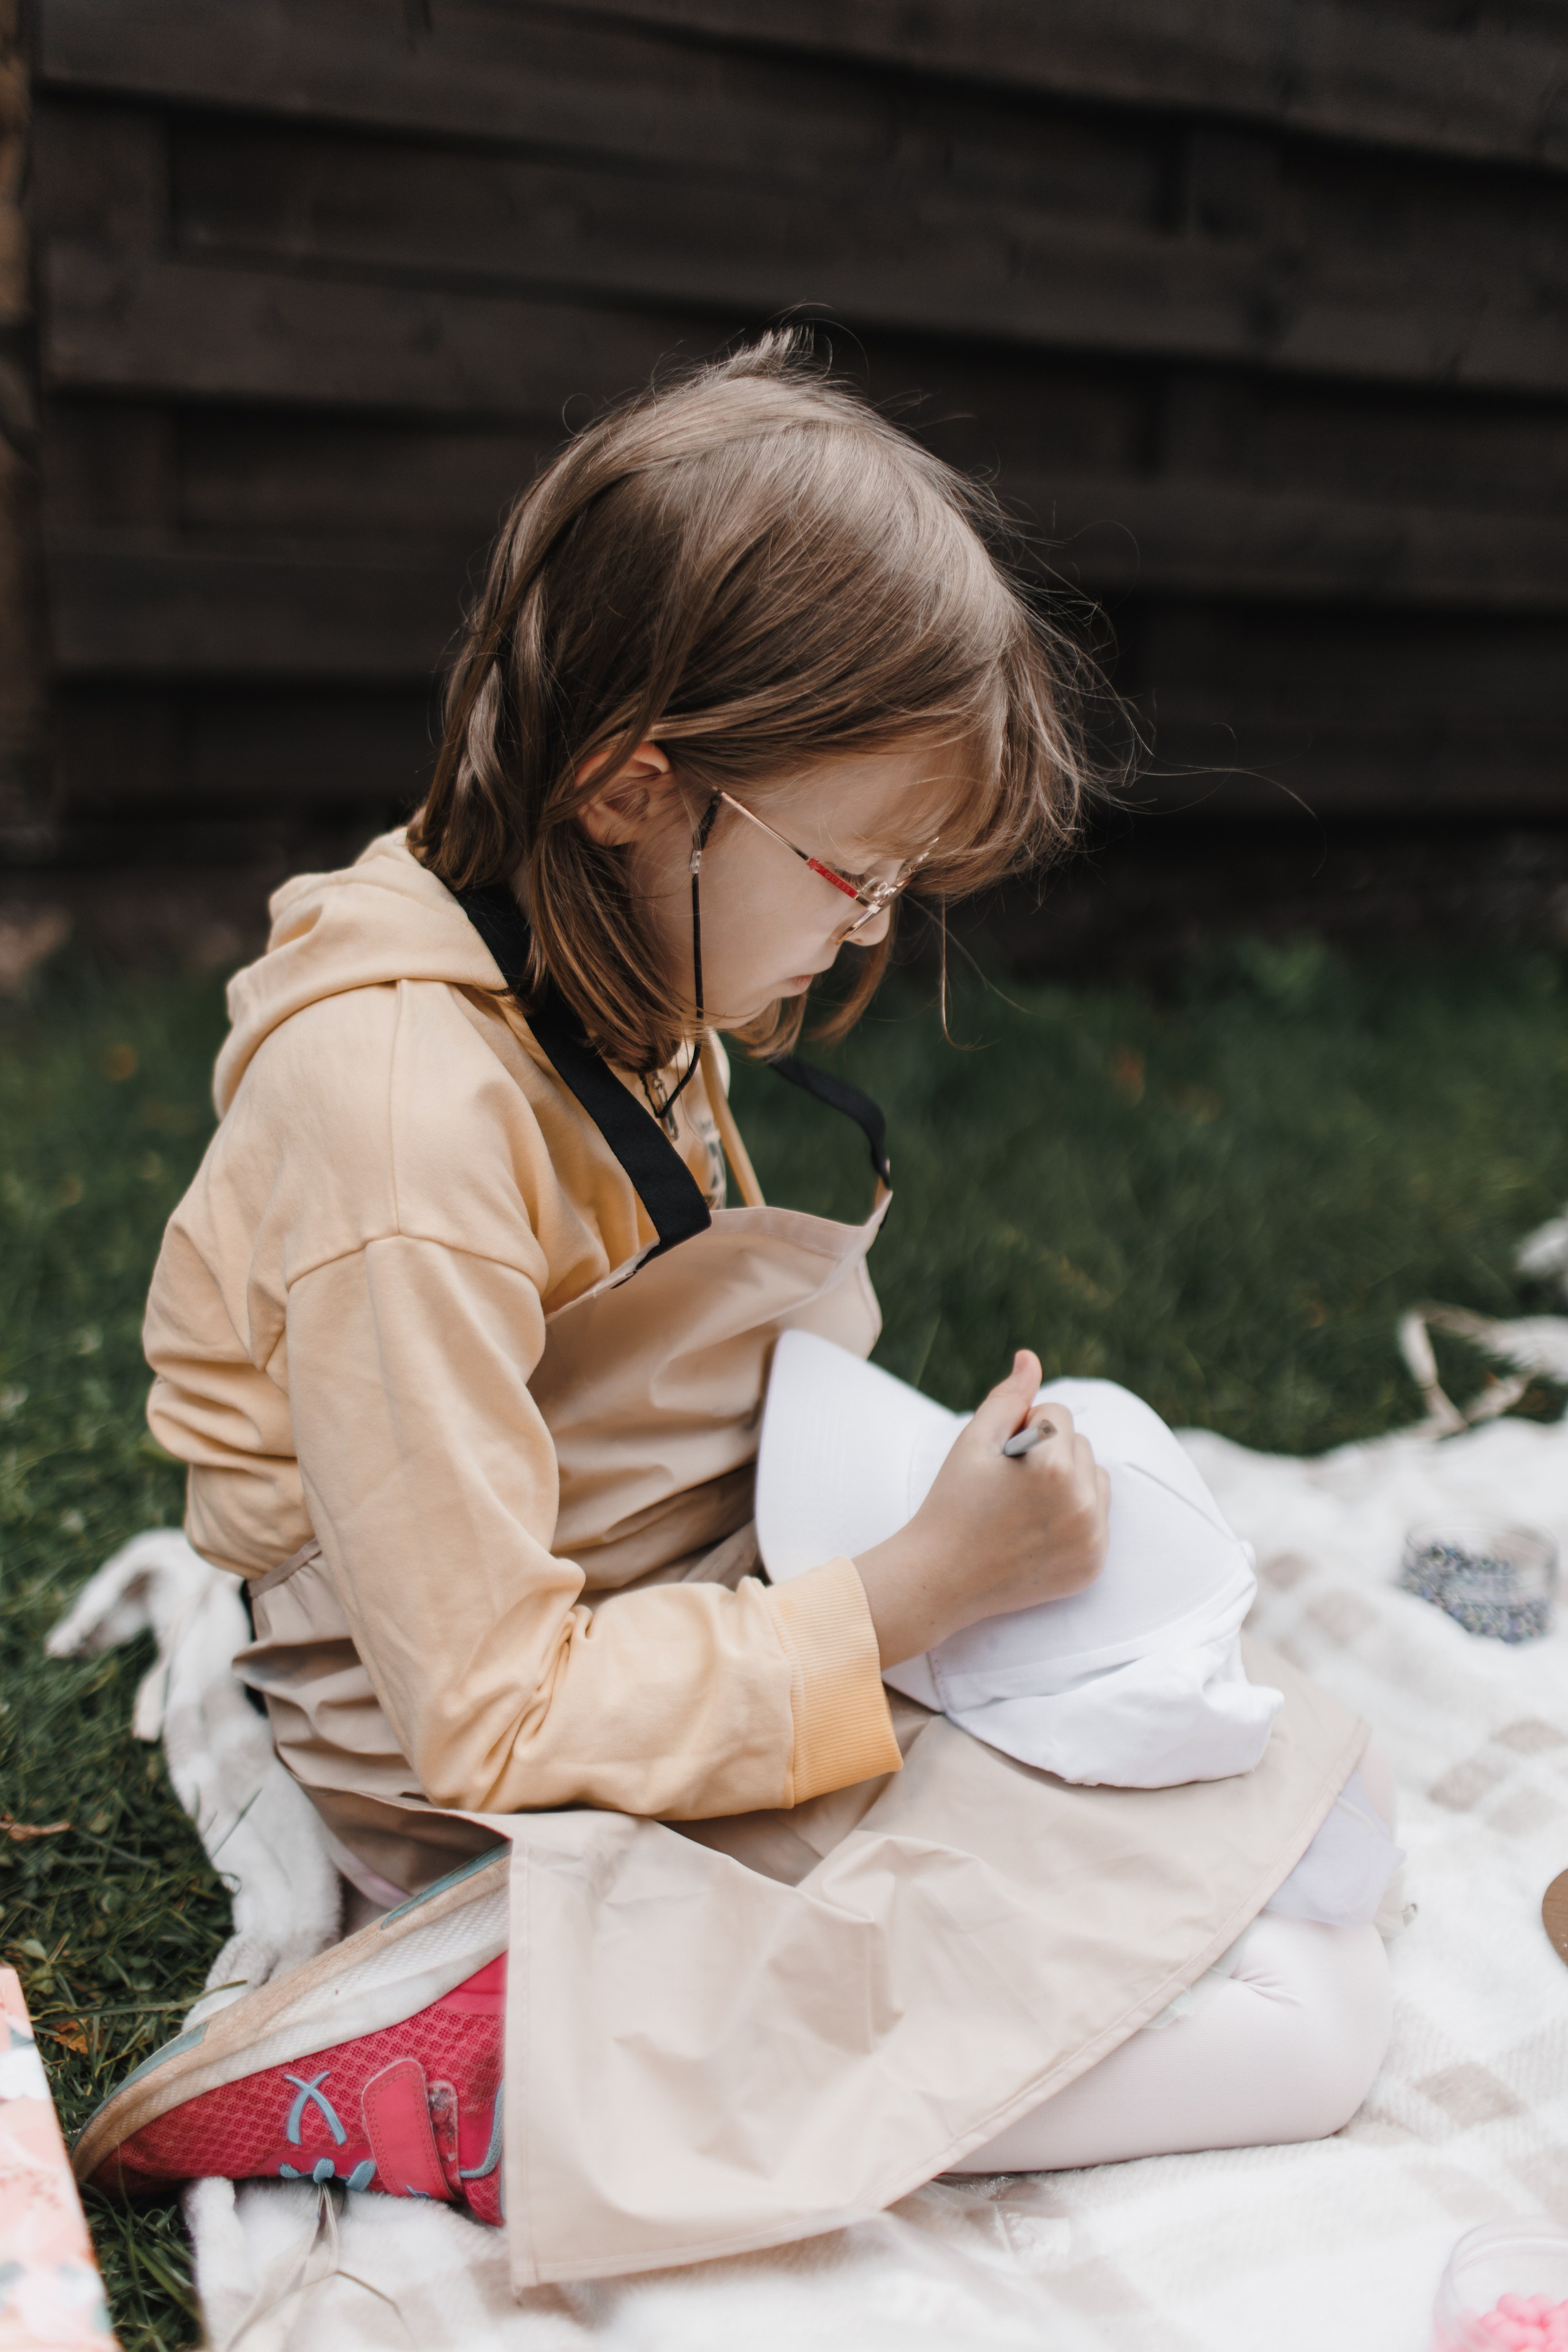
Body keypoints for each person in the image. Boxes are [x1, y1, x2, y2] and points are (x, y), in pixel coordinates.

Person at [75, 336, 1392, 2273]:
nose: (872, 928)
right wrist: (911, 1595)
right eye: (855, 869)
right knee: (1307, 2017)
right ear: (634, 787)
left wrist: (916, 1537)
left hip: (672, 1587)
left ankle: (637, 2006)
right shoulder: (401, 1129)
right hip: (480, 1773)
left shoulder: (601, 959)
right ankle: (524, 2075)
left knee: (1300, 1820)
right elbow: (487, 1712)